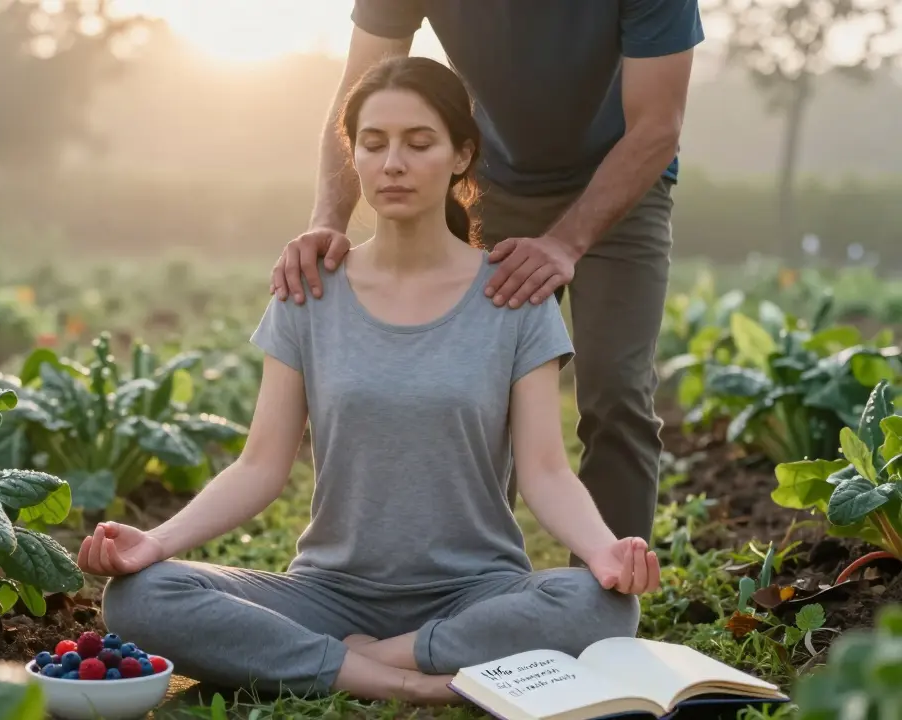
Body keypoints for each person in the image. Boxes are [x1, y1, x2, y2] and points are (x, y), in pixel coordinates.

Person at [79, 56, 662, 706]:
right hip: (328, 594)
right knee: (141, 595)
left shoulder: (513, 296)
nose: (393, 164)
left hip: (477, 594)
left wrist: (606, 551)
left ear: (461, 155)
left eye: (419, 143)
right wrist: (152, 543)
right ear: (352, 156)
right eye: (374, 144)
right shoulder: (310, 292)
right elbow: (259, 467)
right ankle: (411, 683)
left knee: (600, 607)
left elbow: (547, 473)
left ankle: (358, 665)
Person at [269, 2, 701, 565]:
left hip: (621, 178)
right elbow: (359, 91)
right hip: (492, 183)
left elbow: (656, 127)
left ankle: (606, 599)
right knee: (479, 381)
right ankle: (462, 580)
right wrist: (327, 220)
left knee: (617, 392)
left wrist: (565, 243)